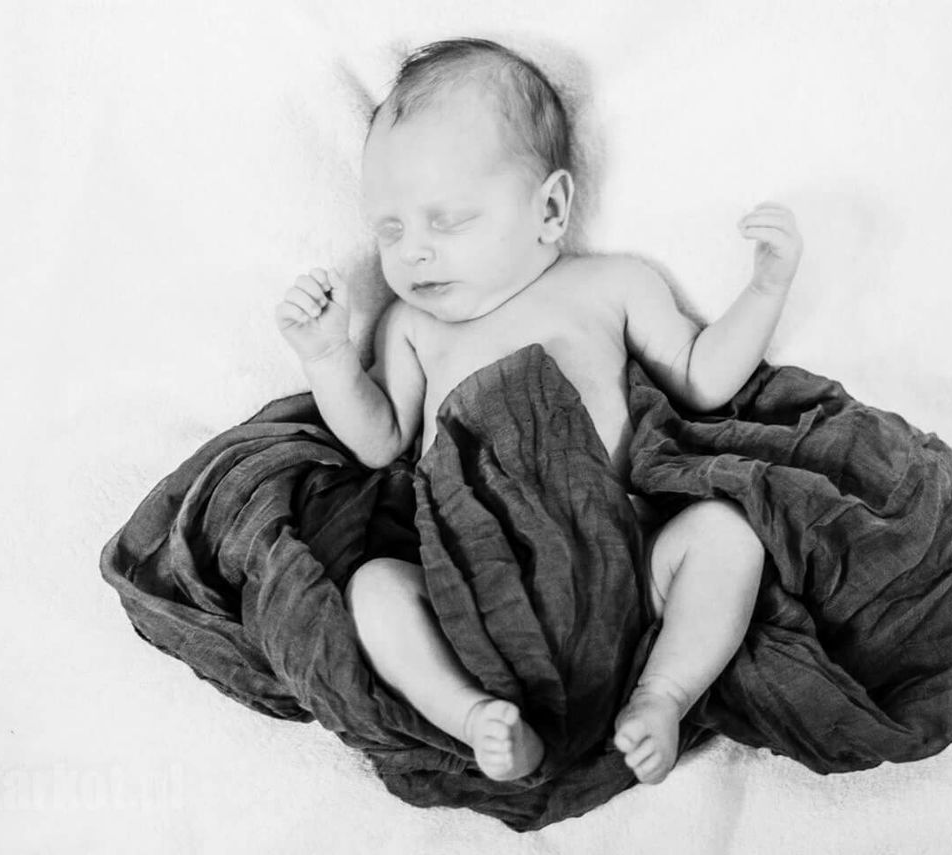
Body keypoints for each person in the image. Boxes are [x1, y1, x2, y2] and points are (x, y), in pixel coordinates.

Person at [275, 38, 801, 786]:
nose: (413, 252)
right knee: (376, 590)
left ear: (550, 208)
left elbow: (703, 379)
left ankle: (663, 691)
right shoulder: (413, 328)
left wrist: (766, 290)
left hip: (626, 571)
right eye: (390, 229)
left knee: (726, 537)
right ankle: (469, 714)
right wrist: (327, 357)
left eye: (446, 220)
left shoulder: (610, 286)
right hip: (469, 595)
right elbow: (378, 440)